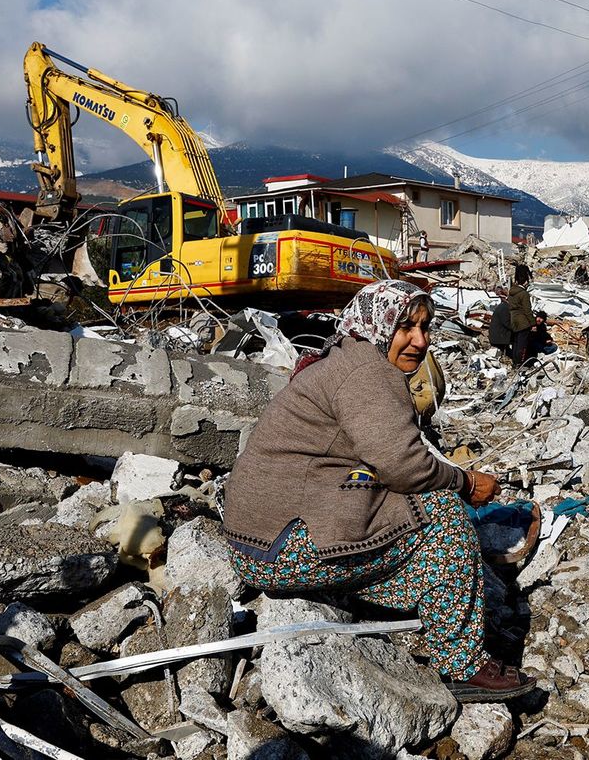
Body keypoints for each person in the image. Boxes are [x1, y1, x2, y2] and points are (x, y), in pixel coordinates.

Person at [222, 280, 535, 702]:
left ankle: (426, 603)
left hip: (257, 541)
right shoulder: (368, 373)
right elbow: (404, 467)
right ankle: (461, 664)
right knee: (440, 514)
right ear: (380, 324)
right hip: (280, 547)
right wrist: (466, 483)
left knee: (395, 510)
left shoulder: (345, 357)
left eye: (426, 327)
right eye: (406, 327)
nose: (420, 340)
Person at [507, 264, 535, 365]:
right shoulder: (524, 294)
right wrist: (533, 324)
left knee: (516, 343)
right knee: (522, 344)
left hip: (513, 320)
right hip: (523, 321)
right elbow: (527, 310)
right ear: (525, 281)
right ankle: (520, 363)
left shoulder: (511, 293)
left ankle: (515, 362)